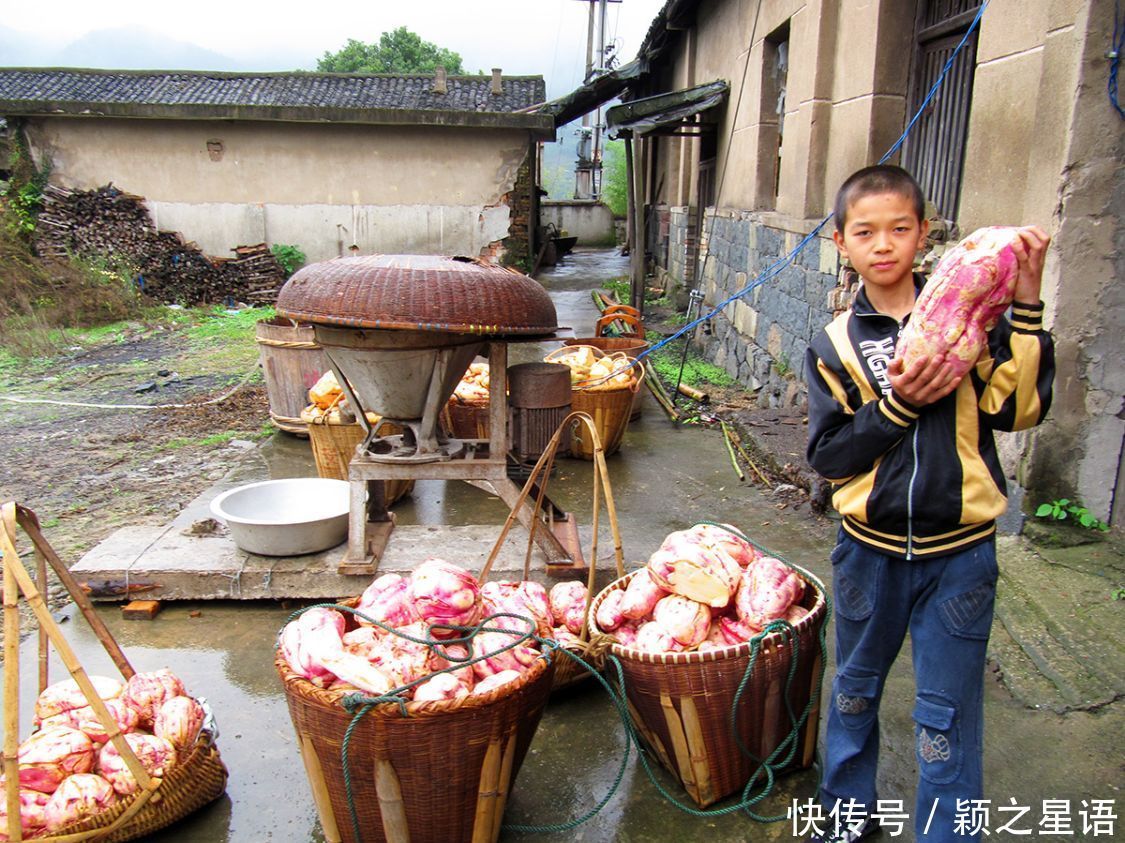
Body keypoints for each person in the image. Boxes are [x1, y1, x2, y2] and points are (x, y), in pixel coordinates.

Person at [803, 164, 1054, 843]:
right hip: (868, 554)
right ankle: (846, 812)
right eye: (865, 232)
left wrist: (1024, 304)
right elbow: (828, 456)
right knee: (853, 689)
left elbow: (1016, 409)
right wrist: (896, 407)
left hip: (960, 559)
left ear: (922, 236)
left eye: (899, 229)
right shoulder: (834, 343)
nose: (882, 245)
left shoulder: (970, 320)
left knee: (945, 713)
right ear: (840, 241)